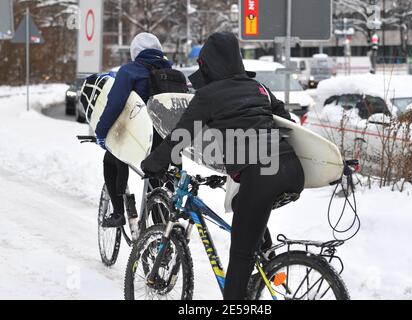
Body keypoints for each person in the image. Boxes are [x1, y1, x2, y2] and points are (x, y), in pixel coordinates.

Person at [141, 32, 305, 300]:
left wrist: (153, 164)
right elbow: (285, 120)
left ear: (208, 65)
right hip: (292, 169)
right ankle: (268, 262)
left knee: (239, 257)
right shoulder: (259, 88)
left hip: (261, 176)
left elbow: (181, 136)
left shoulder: (209, 95)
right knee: (244, 206)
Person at [96, 32, 172, 228]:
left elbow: (115, 104)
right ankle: (164, 231)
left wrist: (101, 132)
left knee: (111, 160)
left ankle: (119, 212)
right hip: (166, 139)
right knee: (157, 180)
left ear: (135, 51)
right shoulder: (173, 73)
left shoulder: (130, 71)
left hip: (139, 137)